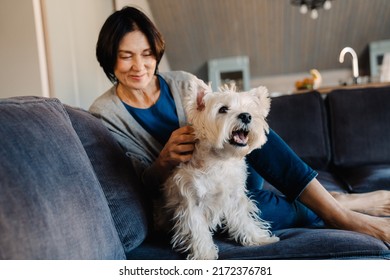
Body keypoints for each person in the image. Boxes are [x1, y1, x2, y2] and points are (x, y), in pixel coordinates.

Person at [90, 6, 390, 242]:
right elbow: (136, 184)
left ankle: (340, 216)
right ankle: (338, 202)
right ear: (110, 60)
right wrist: (163, 161)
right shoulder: (106, 113)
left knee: (252, 127)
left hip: (232, 169)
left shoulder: (182, 83)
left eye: (147, 54)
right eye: (126, 56)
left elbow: (228, 111)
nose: (139, 66)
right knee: (247, 208)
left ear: (156, 53)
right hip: (196, 196)